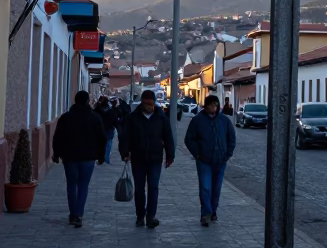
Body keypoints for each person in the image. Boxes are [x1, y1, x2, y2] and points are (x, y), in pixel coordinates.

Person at [119, 89, 175, 229]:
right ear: (142, 103)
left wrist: (170, 155)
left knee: (153, 187)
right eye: (146, 104)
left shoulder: (161, 118)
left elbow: (168, 137)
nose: (148, 107)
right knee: (139, 188)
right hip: (138, 158)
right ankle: (140, 215)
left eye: (151, 104)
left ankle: (151, 217)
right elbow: (125, 137)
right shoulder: (132, 118)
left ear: (154, 104)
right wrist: (125, 152)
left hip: (155, 158)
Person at [51, 91, 106, 227]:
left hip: (69, 157)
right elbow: (102, 139)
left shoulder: (65, 118)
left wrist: (56, 154)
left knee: (71, 184)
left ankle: (73, 213)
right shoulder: (95, 118)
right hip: (88, 157)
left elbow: (57, 137)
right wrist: (101, 156)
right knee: (83, 185)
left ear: (75, 101)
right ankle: (79, 214)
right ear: (88, 101)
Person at [184, 94, 236, 227]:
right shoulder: (197, 120)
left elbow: (231, 138)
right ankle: (206, 213)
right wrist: (197, 154)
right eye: (211, 105)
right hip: (204, 161)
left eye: (215, 105)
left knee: (216, 188)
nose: (213, 107)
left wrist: (227, 154)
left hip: (220, 160)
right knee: (205, 187)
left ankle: (213, 211)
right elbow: (189, 139)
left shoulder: (224, 121)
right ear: (206, 106)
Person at [95, 96, 120, 164]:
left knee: (100, 144)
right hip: (109, 129)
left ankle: (100, 158)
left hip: (99, 130)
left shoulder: (97, 110)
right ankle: (106, 159)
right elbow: (115, 121)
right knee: (108, 144)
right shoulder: (112, 111)